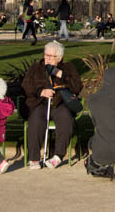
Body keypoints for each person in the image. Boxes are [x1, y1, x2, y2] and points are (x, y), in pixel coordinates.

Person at [22, 41, 83, 170]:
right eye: (46, 55)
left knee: (65, 119)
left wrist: (61, 75)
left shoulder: (68, 67)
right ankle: (34, 158)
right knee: (36, 120)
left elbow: (77, 87)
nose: (48, 59)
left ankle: (58, 156)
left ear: (59, 58)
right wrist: (41, 91)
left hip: (60, 103)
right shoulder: (36, 67)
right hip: (40, 103)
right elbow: (26, 85)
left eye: (51, 56)